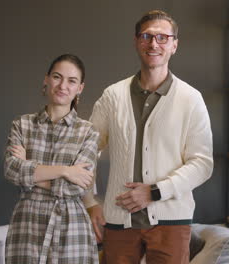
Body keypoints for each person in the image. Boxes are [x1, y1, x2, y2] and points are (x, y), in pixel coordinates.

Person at [84, 10, 213, 264]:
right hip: (118, 220)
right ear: (136, 41)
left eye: (163, 38)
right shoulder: (113, 95)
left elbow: (202, 164)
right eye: (146, 36)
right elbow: (86, 150)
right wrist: (90, 202)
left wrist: (155, 192)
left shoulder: (191, 99)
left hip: (171, 222)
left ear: (174, 45)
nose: (154, 44)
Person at [4, 54, 99, 263]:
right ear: (46, 79)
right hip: (26, 225)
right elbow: (12, 170)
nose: (63, 85)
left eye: (72, 81)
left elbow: (77, 188)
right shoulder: (22, 124)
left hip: (71, 228)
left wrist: (29, 172)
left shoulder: (88, 132)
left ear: (79, 88)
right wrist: (65, 171)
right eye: (57, 77)